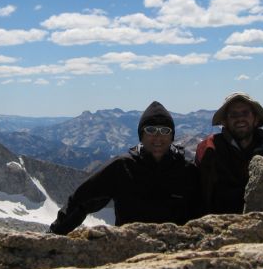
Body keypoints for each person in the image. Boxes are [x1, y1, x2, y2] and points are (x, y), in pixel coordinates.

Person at [49, 101, 202, 235]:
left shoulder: (186, 168)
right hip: (129, 247)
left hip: (175, 250)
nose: (158, 137)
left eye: (165, 131)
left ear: (172, 136)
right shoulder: (122, 167)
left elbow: (202, 209)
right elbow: (82, 200)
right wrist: (55, 233)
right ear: (141, 135)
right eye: (150, 130)